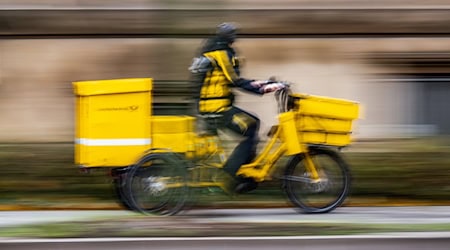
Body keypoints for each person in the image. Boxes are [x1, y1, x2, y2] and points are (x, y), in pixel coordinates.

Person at [189, 22, 285, 193]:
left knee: (253, 124)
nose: (234, 38)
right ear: (228, 37)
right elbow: (235, 80)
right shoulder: (221, 53)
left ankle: (245, 175)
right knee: (251, 127)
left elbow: (233, 80)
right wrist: (265, 88)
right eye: (232, 35)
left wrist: (267, 84)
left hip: (212, 105)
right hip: (216, 108)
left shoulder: (212, 50)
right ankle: (228, 175)